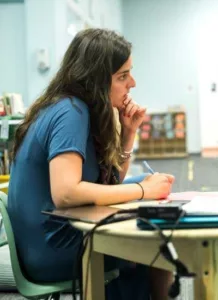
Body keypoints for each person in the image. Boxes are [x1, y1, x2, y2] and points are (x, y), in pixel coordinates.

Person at [8, 28, 174, 300]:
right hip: (51, 250)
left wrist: (128, 132)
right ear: (96, 79)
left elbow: (109, 184)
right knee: (153, 240)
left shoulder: (68, 106)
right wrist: (145, 192)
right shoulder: (71, 113)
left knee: (142, 196)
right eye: (122, 76)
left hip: (46, 239)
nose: (132, 83)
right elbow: (66, 193)